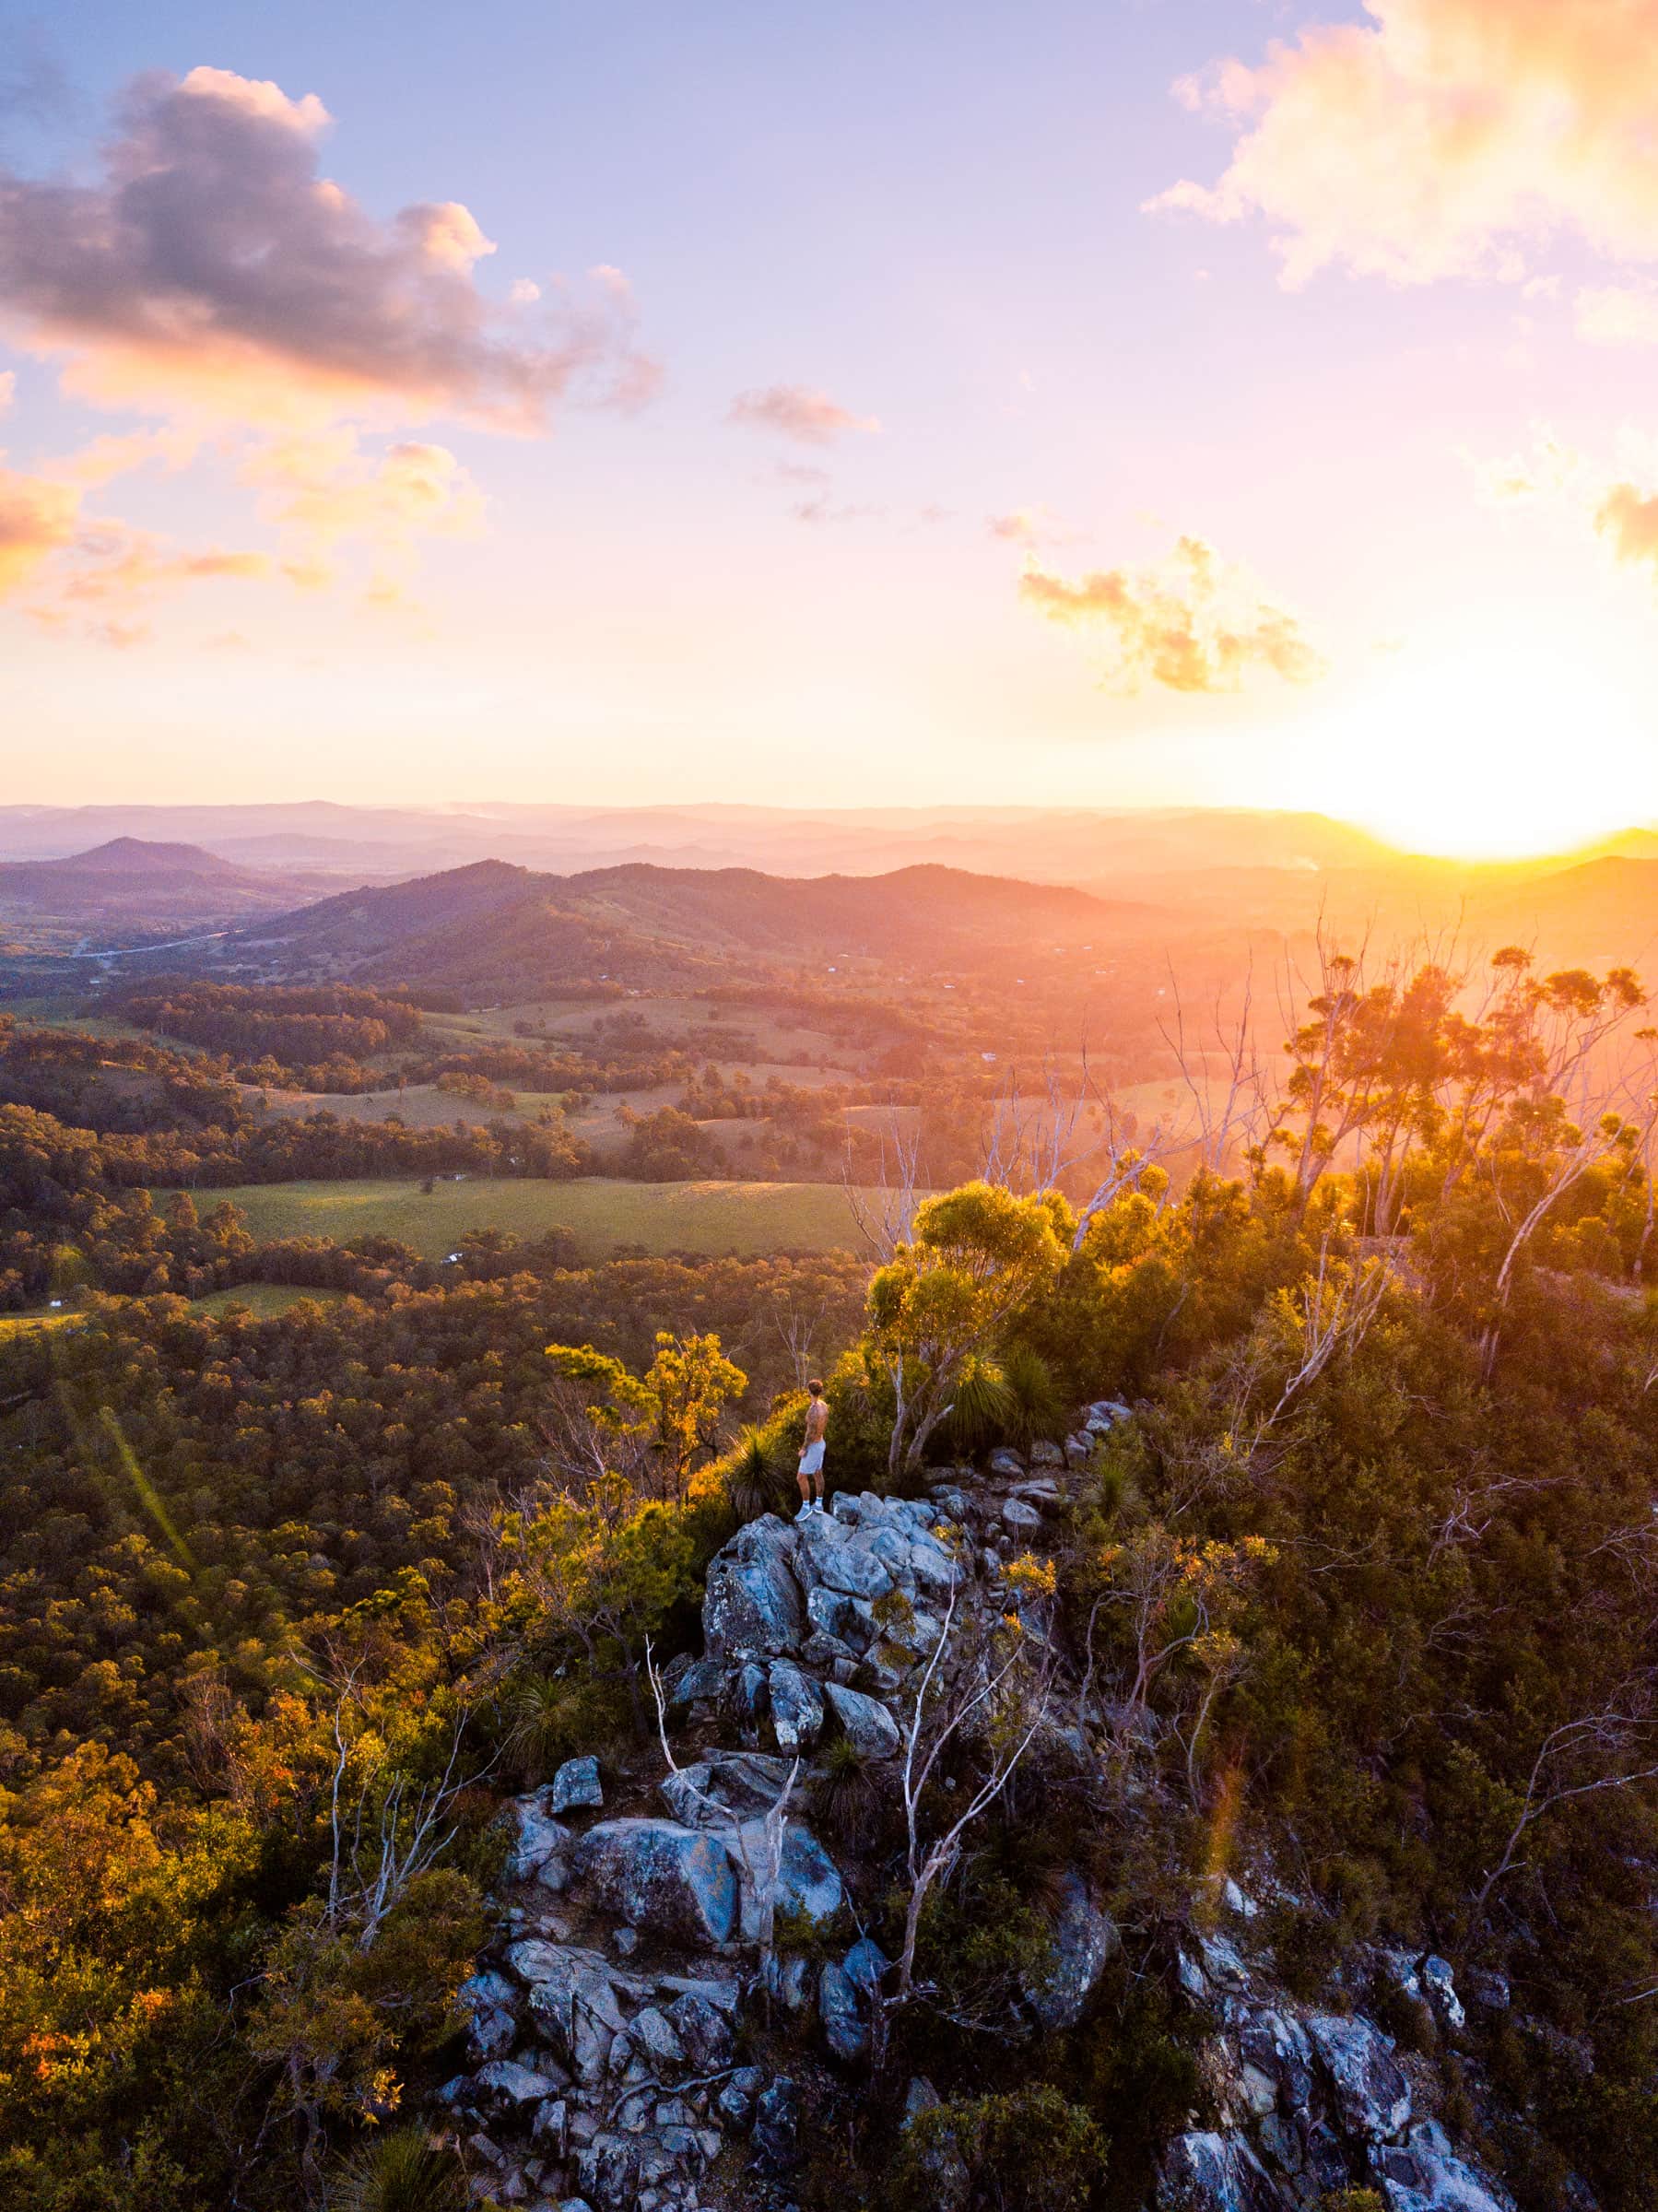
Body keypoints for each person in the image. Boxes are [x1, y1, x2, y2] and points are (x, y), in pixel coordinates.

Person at [795, 1378, 829, 1520]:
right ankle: (819, 1504)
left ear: (809, 1391)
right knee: (817, 1473)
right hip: (821, 1443)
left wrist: (804, 1448)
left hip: (813, 1446)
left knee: (801, 1477)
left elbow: (810, 1432)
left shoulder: (813, 1410)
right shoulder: (824, 1405)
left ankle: (806, 1507)